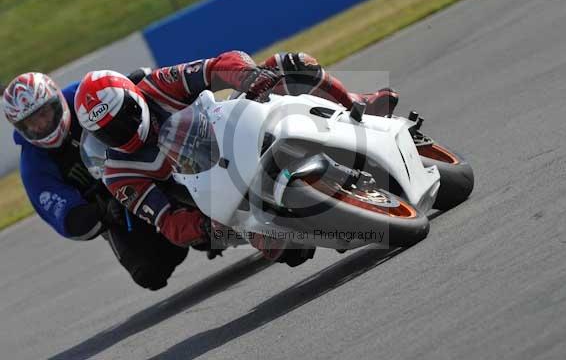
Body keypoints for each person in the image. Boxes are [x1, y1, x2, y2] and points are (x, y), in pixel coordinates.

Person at [73, 51, 400, 260]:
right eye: (109, 133)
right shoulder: (117, 174)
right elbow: (169, 223)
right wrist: (207, 227)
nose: (122, 132)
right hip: (217, 199)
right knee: (287, 250)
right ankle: (326, 222)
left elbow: (216, 66)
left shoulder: (156, 84)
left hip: (229, 132)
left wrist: (248, 76)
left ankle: (356, 105)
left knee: (290, 64)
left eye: (124, 118)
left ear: (133, 98)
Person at [2, 71, 189, 290]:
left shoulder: (83, 95)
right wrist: (102, 212)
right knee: (150, 273)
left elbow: (133, 85)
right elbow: (67, 218)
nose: (41, 125)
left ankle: (217, 219)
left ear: (57, 100)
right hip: (115, 209)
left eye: (43, 113)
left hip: (148, 163)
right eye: (30, 123)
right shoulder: (33, 167)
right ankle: (187, 237)